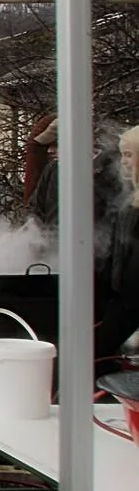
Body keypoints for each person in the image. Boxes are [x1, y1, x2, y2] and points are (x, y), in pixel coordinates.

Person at [97, 124, 139, 375]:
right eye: (123, 154)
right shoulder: (129, 197)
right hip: (122, 296)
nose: (124, 162)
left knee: (98, 354)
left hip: (130, 299)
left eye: (130, 154)